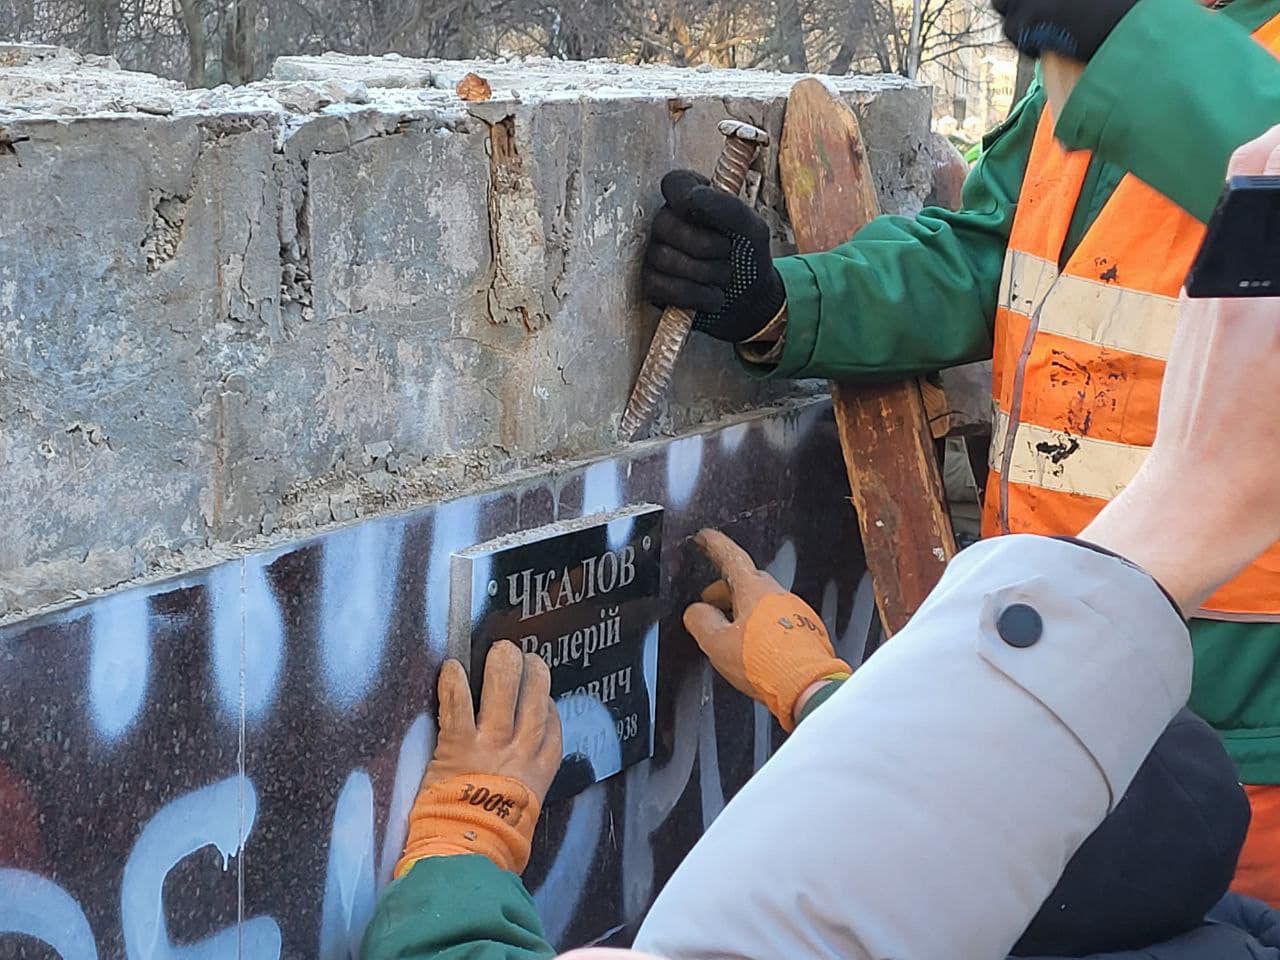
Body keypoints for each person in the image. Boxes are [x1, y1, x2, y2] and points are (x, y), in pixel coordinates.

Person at [359, 124, 1280, 960]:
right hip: (1066, 670)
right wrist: (779, 304)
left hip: (1177, 682)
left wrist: (461, 843)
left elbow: (936, 846)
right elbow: (983, 255)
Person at [642, 0, 1280, 905]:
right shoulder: (1127, 35)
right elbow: (991, 254)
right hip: (1049, 680)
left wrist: (1135, 40)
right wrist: (780, 301)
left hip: (1248, 734)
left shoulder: (1142, 34)